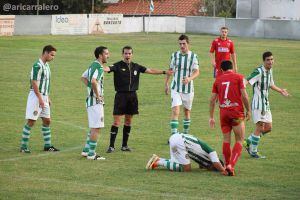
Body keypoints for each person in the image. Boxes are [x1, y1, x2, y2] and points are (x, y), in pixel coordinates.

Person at [105, 46, 172, 153]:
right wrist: (99, 66)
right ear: (122, 54)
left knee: (128, 121)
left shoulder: (136, 66)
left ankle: (124, 145)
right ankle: (111, 146)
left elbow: (150, 70)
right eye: (126, 53)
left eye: (129, 53)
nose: (127, 55)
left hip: (132, 97)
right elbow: (107, 69)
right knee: (117, 122)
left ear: (132, 54)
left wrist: (164, 72)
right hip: (120, 96)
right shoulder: (117, 65)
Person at [243, 51, 289, 158]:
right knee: (260, 127)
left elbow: (271, 84)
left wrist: (281, 90)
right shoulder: (258, 71)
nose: (270, 62)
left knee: (268, 127)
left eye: (272, 59)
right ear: (263, 61)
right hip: (258, 104)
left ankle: (248, 141)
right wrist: (241, 90)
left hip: (266, 103)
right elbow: (245, 81)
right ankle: (254, 152)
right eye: (268, 60)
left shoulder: (270, 71)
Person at [209, 60, 251, 176]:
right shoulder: (238, 77)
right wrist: (249, 110)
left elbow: (212, 100)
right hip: (236, 113)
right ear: (232, 68)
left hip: (224, 114)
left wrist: (211, 117)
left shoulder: (217, 80)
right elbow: (244, 96)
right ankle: (230, 166)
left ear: (221, 70)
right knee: (240, 140)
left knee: (226, 140)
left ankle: (226, 166)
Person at [20, 45, 59, 153]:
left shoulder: (46, 65)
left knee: (47, 121)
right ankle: (23, 146)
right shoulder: (37, 66)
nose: (53, 57)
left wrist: (47, 98)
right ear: (45, 53)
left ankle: (47, 146)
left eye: (54, 55)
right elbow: (34, 83)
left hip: (44, 97)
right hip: (36, 97)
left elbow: (44, 83)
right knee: (31, 121)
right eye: (51, 55)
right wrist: (41, 99)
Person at [145, 132, 227, 175]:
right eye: (212, 168)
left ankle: (158, 160)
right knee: (187, 168)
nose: (209, 169)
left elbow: (201, 162)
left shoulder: (206, 161)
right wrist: (223, 170)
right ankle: (158, 162)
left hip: (176, 139)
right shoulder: (213, 153)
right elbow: (216, 162)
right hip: (180, 141)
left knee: (177, 164)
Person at [165, 34, 199, 136]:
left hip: (188, 89)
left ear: (188, 43)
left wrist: (189, 78)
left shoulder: (193, 56)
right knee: (175, 111)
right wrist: (166, 83)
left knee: (187, 112)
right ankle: (174, 136)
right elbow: (170, 70)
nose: (182, 46)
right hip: (175, 88)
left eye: (184, 44)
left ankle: (185, 135)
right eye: (180, 44)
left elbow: (197, 71)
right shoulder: (174, 55)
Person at [80, 46, 110, 160]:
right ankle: (92, 154)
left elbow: (83, 77)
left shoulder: (92, 65)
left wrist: (91, 89)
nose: (108, 55)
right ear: (100, 55)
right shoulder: (99, 67)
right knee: (96, 128)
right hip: (95, 102)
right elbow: (93, 81)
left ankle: (86, 151)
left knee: (93, 127)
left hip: (90, 101)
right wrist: (98, 95)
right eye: (106, 54)